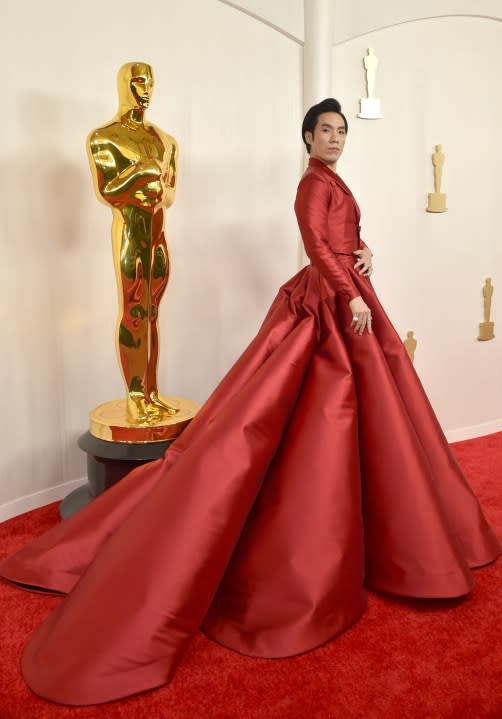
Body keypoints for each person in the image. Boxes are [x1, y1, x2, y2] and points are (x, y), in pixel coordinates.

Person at [1, 99, 500, 707]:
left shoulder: (335, 180)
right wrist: (351, 292)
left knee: (375, 408)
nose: (336, 138)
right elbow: (316, 244)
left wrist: (366, 253)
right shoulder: (310, 183)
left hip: (349, 290)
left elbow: (343, 238)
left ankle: (380, 522)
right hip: (333, 300)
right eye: (326, 130)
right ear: (307, 136)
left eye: (342, 131)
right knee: (317, 408)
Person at [87, 62, 179, 425]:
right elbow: (107, 191)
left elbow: (168, 195)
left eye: (151, 82)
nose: (146, 88)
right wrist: (142, 172)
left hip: (158, 235)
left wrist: (157, 182)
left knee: (153, 313)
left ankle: (152, 392)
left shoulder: (165, 140)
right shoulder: (104, 137)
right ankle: (135, 395)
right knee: (134, 313)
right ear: (124, 84)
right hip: (128, 231)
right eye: (139, 80)